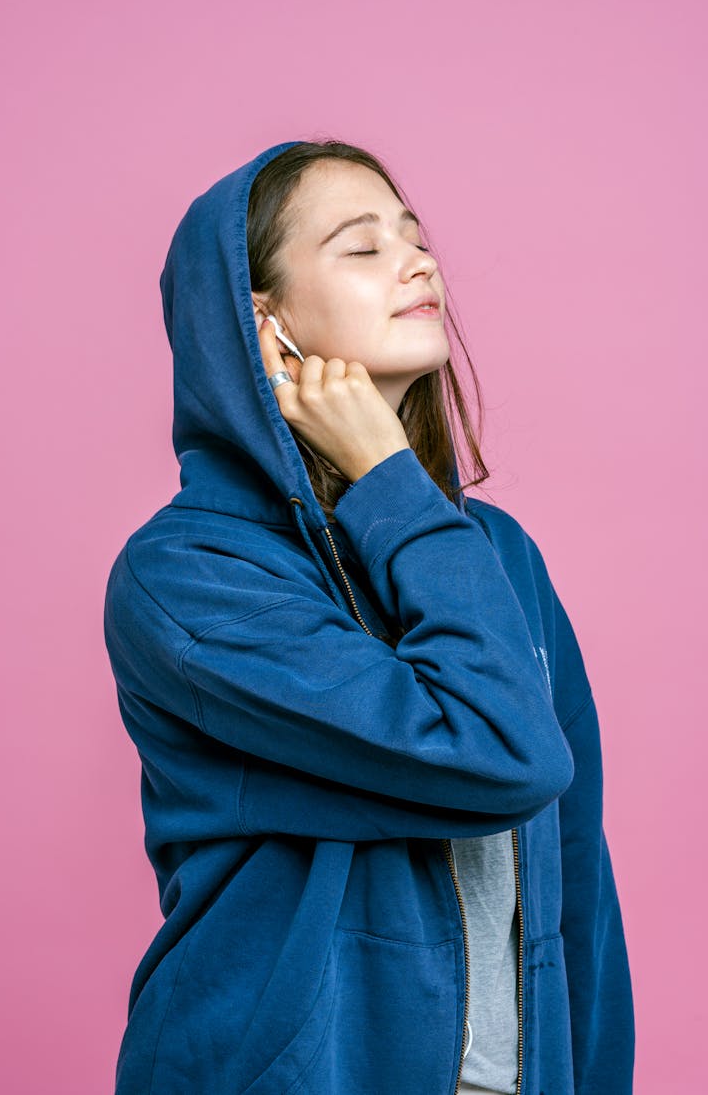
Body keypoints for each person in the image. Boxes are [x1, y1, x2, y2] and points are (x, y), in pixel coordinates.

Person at [103, 138, 635, 1094]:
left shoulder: (494, 554)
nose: (418, 261)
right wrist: (390, 482)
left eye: (416, 237)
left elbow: (576, 875)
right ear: (261, 323)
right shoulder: (189, 575)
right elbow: (505, 754)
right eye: (361, 247)